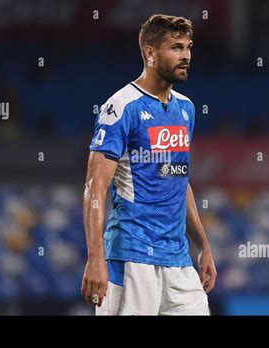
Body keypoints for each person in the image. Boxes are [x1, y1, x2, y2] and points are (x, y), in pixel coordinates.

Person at [81, 14, 217, 315]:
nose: (186, 56)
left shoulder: (185, 109)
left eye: (188, 47)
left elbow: (178, 179)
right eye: (176, 48)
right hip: (131, 256)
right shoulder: (121, 107)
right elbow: (95, 186)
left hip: (178, 260)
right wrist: (95, 257)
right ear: (150, 53)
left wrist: (203, 246)